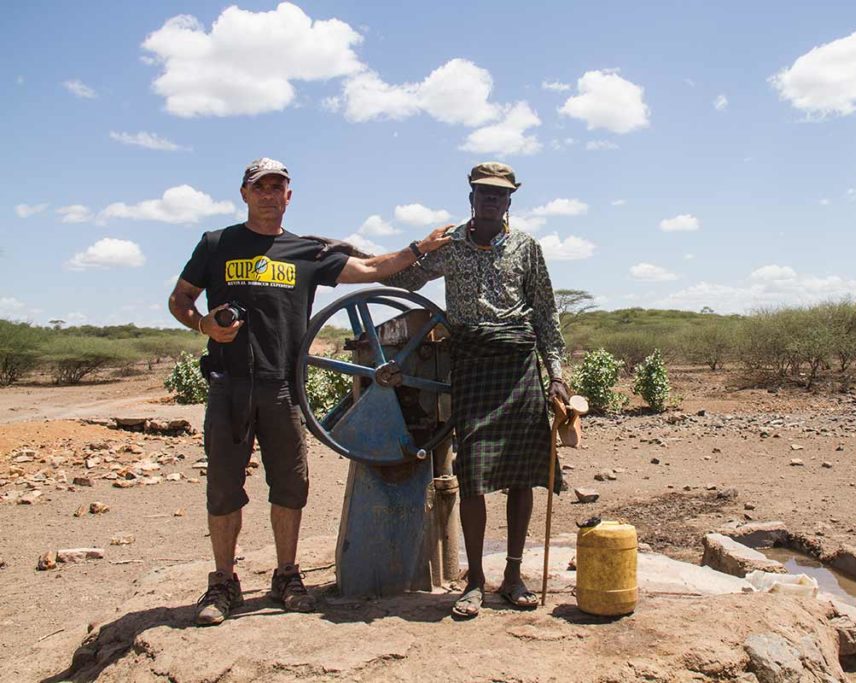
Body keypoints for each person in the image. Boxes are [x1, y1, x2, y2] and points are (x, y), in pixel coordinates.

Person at [168, 157, 451, 626]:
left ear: (288, 196)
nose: (268, 194)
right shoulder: (216, 244)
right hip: (229, 385)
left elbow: (373, 268)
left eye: (277, 187)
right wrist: (203, 325)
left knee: (291, 486)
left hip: (282, 387)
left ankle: (286, 576)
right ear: (244, 194)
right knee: (222, 489)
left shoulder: (304, 251)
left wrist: (417, 249)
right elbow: (180, 298)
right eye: (260, 187)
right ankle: (223, 583)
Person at [383, 161, 570, 618]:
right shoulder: (449, 248)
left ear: (510, 201)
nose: (492, 200)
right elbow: (397, 281)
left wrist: (558, 373)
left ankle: (512, 574)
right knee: (473, 473)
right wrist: (417, 249)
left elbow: (545, 314)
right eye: (484, 193)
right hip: (471, 364)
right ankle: (475, 582)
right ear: (471, 198)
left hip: (520, 364)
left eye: (501, 194)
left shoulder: (527, 248)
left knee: (524, 472)